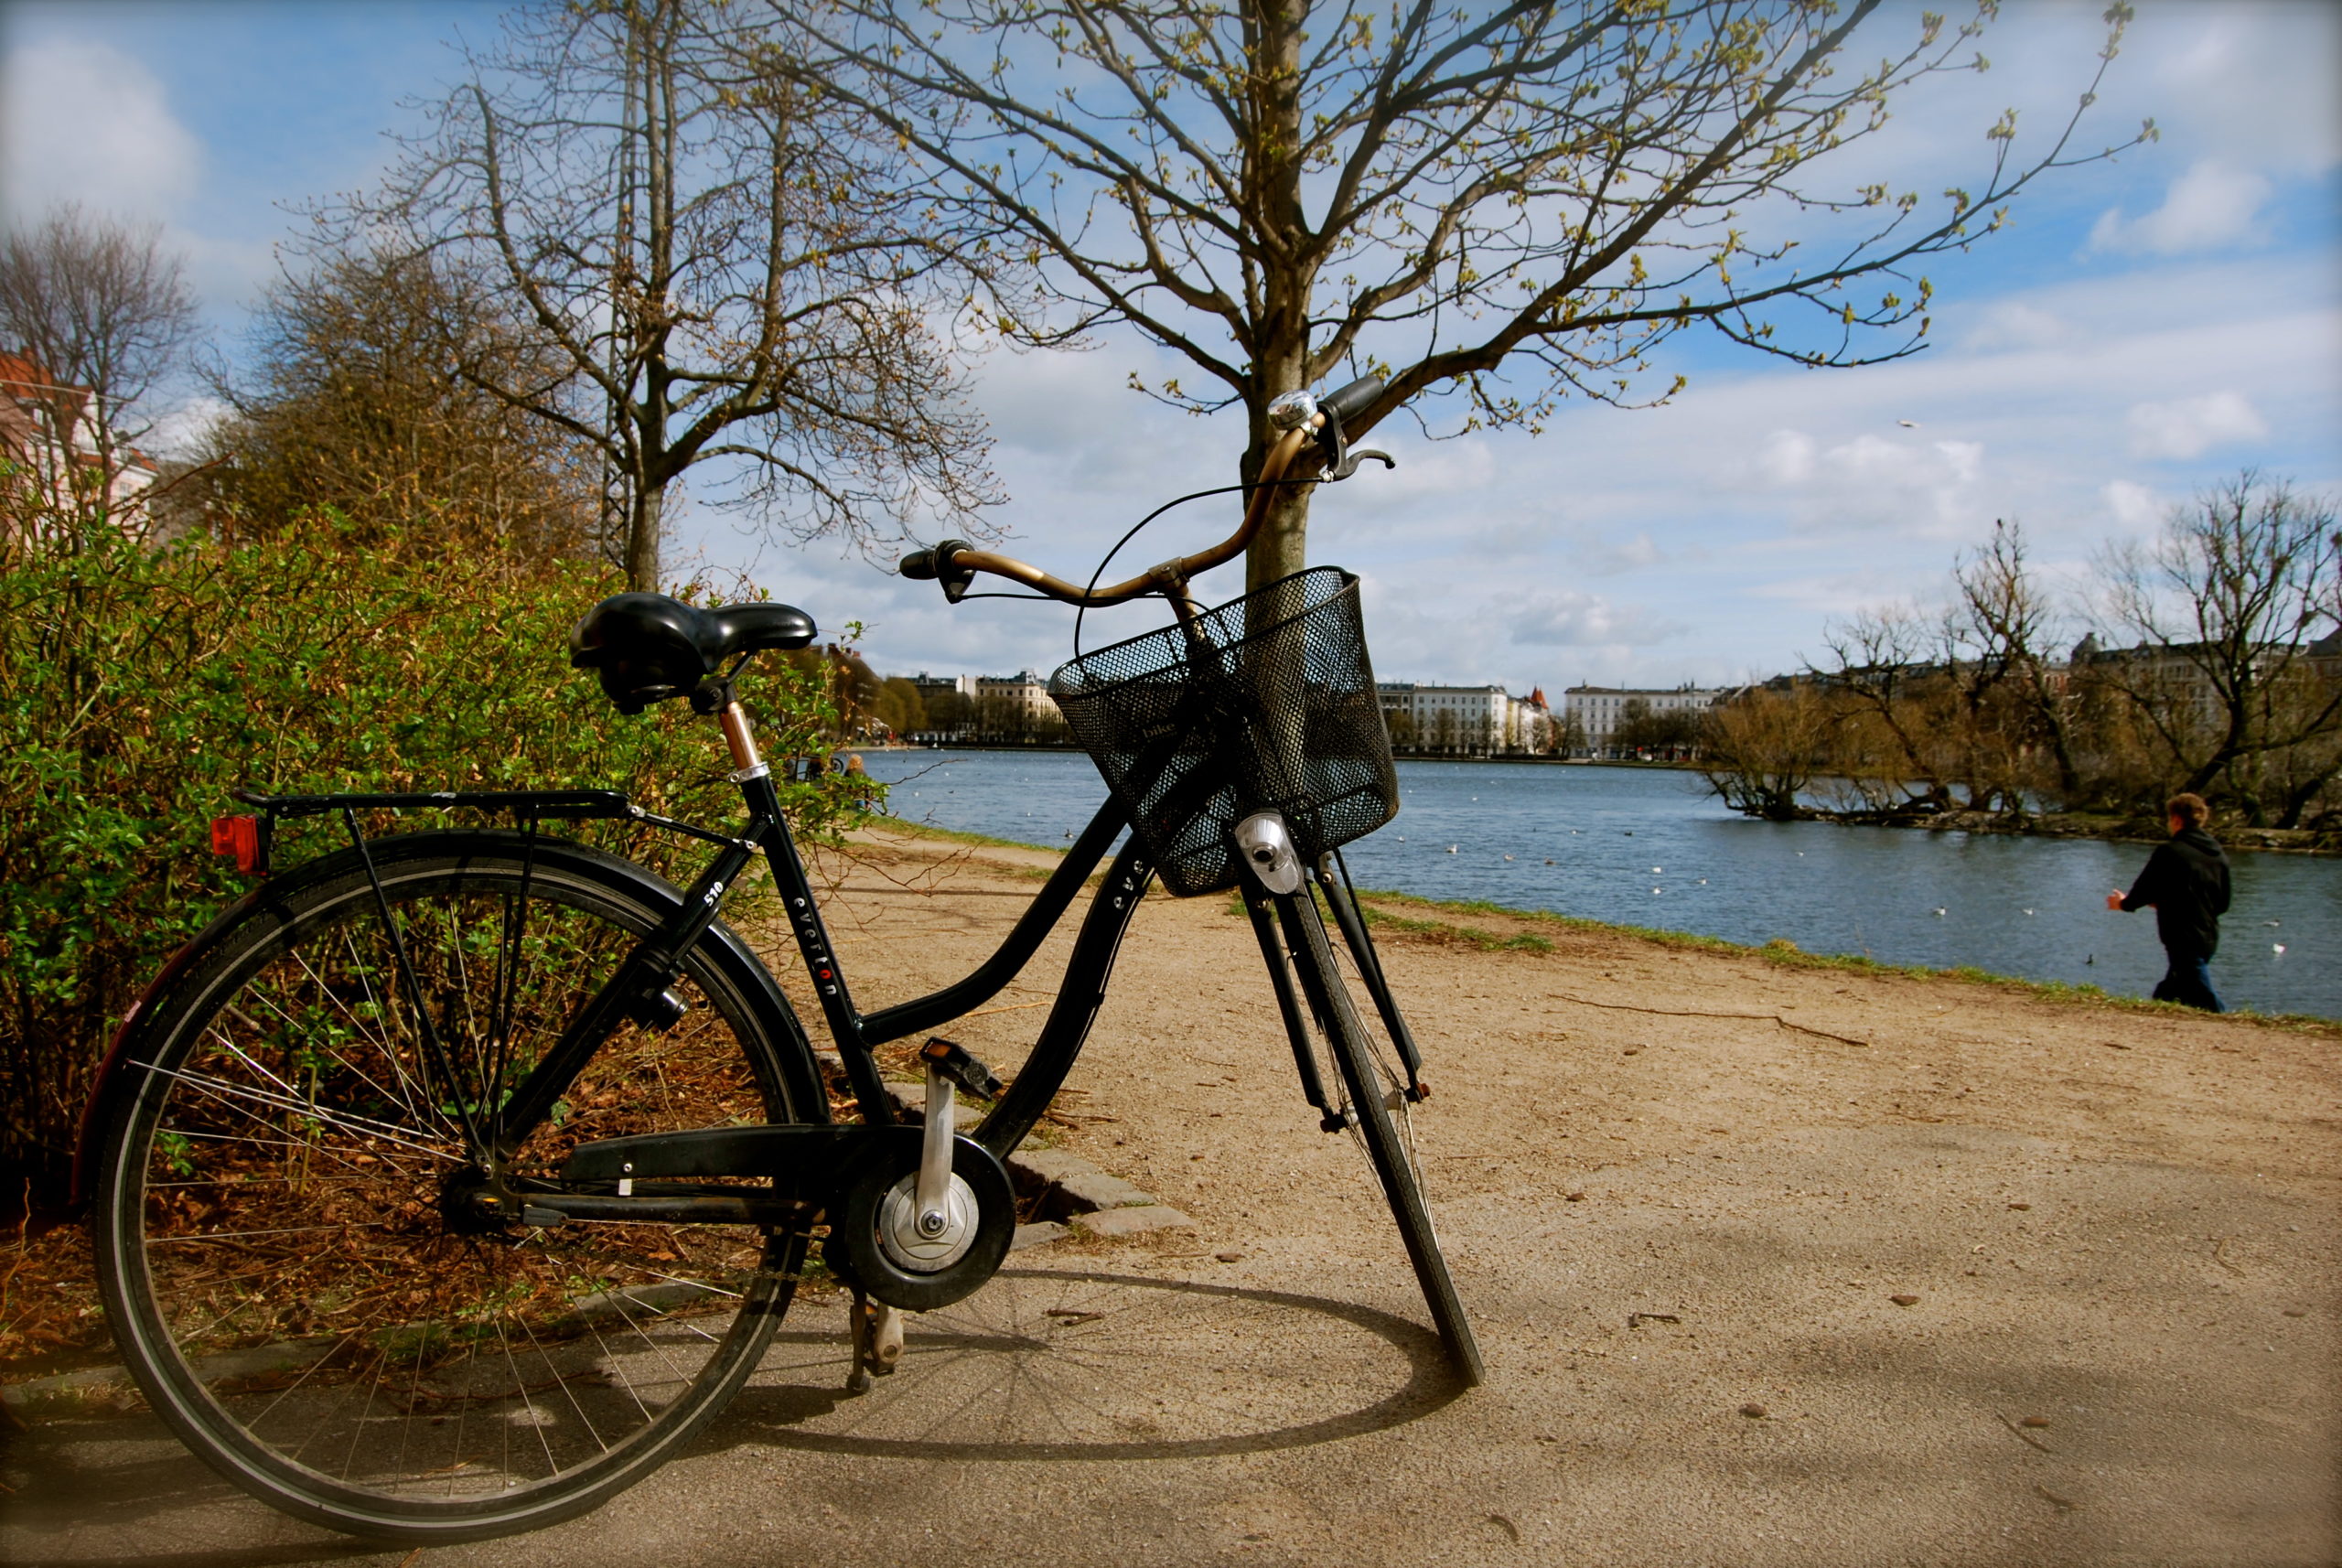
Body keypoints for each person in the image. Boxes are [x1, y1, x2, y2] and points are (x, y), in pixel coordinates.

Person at [2107, 792, 2231, 1013]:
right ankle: (2157, 1016)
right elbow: (2222, 902)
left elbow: (2145, 888)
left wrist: (2123, 904)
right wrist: (2166, 901)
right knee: (2173, 988)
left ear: (2176, 820)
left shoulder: (2171, 852)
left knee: (2202, 992)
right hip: (2209, 932)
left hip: (2181, 933)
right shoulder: (2217, 854)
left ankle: (2229, 1024)